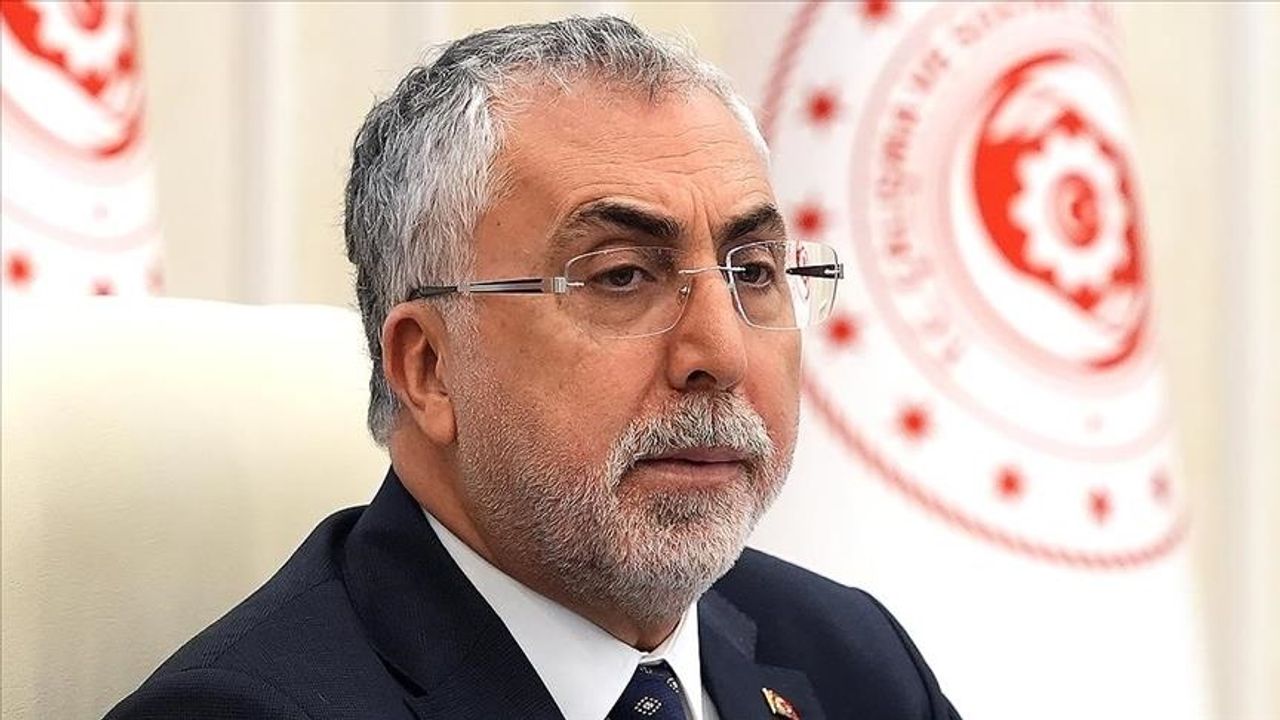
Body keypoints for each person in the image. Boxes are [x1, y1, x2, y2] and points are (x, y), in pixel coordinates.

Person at [107, 16, 959, 720]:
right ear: (428, 367)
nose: (722, 354)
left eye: (755, 272)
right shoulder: (242, 709)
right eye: (622, 276)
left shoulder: (853, 659)